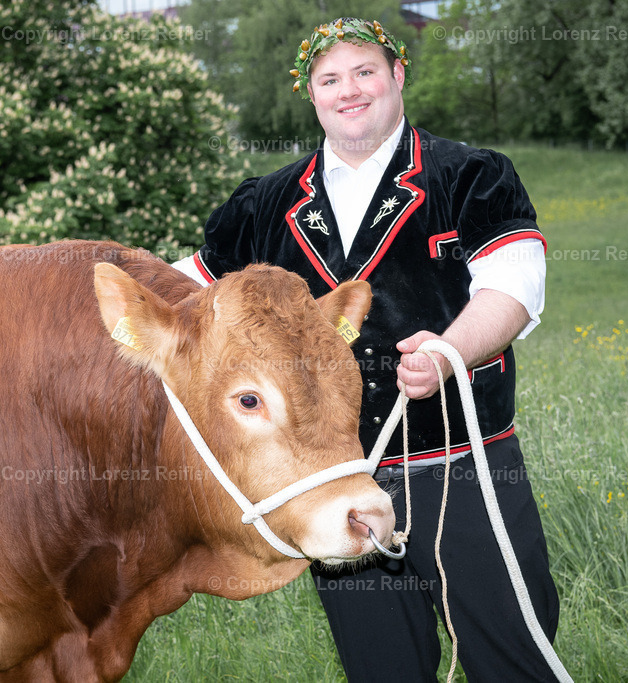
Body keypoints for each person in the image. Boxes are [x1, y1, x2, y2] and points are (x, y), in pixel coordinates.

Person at [173, 17, 559, 682]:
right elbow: (183, 297)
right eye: (330, 79)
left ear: (396, 75)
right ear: (312, 94)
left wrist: (448, 350)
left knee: (513, 660)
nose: (349, 90)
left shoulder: (472, 176)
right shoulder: (264, 203)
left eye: (364, 72)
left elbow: (514, 290)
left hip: (463, 468)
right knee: (379, 668)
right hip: (333, 485)